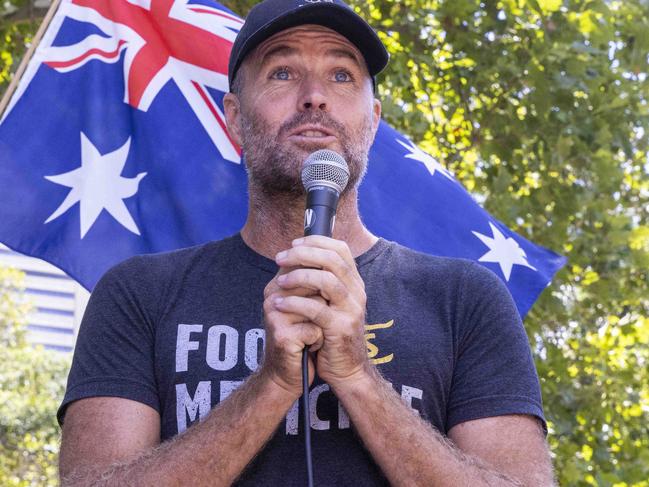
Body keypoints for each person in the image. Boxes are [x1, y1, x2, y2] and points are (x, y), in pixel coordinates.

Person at [57, 0, 555, 485]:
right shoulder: (138, 293)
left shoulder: (467, 298)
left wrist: (358, 376)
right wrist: (272, 384)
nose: (315, 95)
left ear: (373, 120)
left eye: (342, 75)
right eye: (282, 73)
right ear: (233, 117)